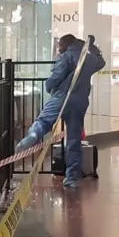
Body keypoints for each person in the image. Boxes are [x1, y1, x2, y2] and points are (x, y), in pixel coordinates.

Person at [15, 34, 106, 187]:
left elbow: (56, 77)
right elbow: (101, 63)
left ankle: (32, 136)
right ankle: (72, 177)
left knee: (44, 121)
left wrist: (49, 87)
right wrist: (92, 47)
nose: (59, 49)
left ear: (68, 44)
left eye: (60, 45)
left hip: (62, 97)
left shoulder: (66, 56)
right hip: (80, 101)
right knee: (74, 139)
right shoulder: (89, 58)